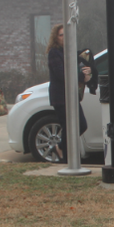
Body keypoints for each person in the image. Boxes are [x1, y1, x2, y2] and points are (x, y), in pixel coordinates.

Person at [47, 24, 91, 163]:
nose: (64, 37)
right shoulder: (54, 53)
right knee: (70, 127)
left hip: (72, 96)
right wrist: (80, 77)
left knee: (80, 125)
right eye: (61, 35)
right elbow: (62, 75)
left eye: (66, 34)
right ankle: (66, 158)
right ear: (56, 38)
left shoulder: (69, 51)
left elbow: (80, 62)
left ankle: (61, 148)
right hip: (61, 97)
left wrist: (86, 71)